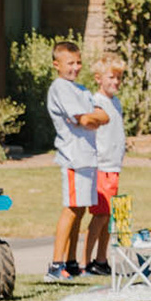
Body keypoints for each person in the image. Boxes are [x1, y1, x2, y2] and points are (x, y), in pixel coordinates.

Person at [46, 41, 110, 281]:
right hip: (73, 156)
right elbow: (84, 120)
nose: (75, 67)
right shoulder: (60, 87)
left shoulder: (81, 89)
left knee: (80, 210)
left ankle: (72, 261)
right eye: (70, 63)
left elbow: (103, 115)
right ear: (57, 64)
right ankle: (56, 264)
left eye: (78, 62)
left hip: (88, 157)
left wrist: (93, 118)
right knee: (71, 208)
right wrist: (91, 118)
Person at [83, 55, 128, 275]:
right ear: (99, 78)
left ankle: (101, 258)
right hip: (101, 166)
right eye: (111, 77)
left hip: (114, 166)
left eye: (119, 78)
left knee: (109, 216)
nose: (116, 82)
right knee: (99, 214)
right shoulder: (96, 102)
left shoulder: (115, 102)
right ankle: (85, 260)